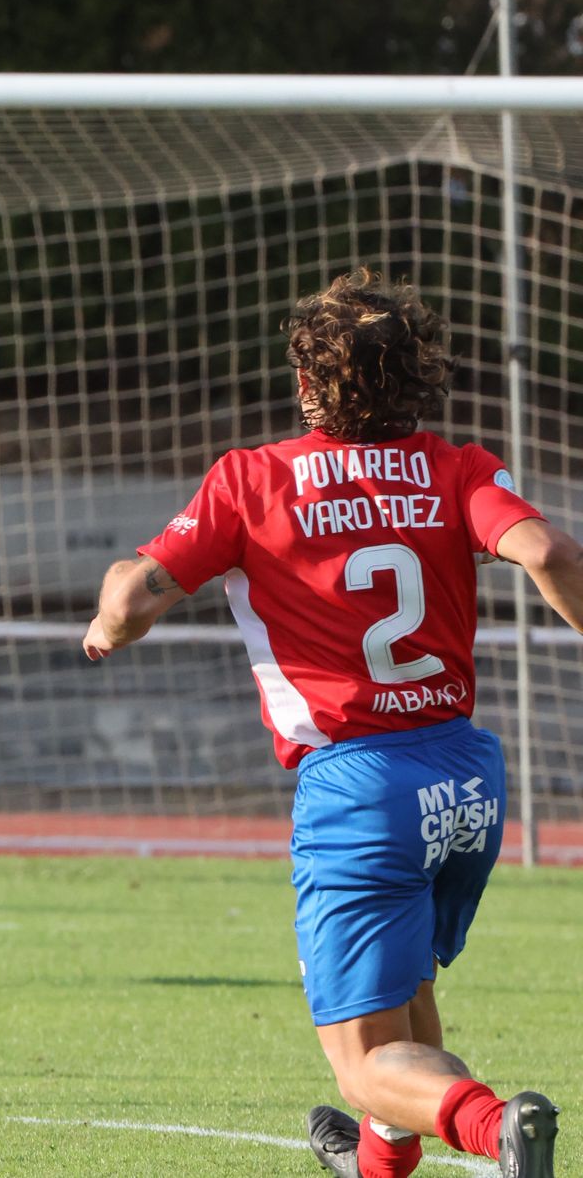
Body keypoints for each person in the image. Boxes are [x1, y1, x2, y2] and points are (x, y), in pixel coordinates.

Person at [83, 268, 577, 1178]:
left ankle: (497, 1124)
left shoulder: (251, 481)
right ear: (416, 377)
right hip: (466, 778)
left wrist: (108, 623)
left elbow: (132, 595)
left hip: (359, 787)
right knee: (410, 1015)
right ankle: (379, 1168)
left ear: (310, 385)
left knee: (363, 1065)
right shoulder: (459, 467)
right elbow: (547, 549)